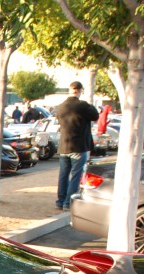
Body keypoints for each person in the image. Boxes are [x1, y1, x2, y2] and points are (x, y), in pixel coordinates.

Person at [55, 81, 99, 211]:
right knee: (76, 175)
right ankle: (68, 203)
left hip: (64, 145)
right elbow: (95, 115)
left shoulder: (61, 106)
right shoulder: (82, 106)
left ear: (70, 90)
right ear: (80, 91)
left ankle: (60, 200)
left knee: (63, 174)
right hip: (79, 146)